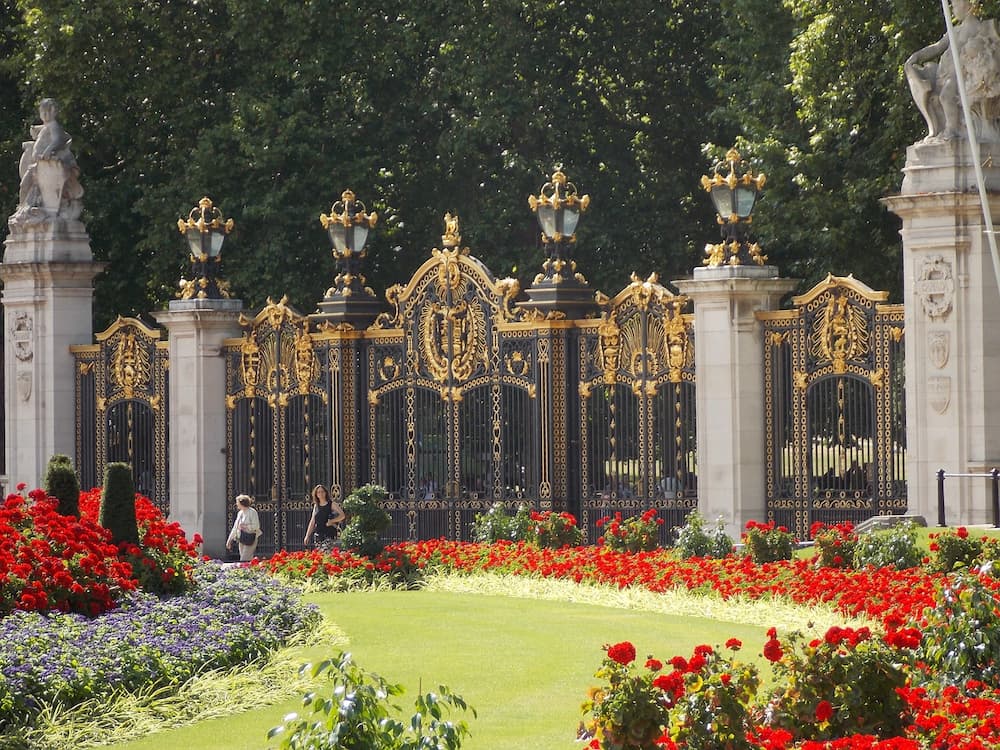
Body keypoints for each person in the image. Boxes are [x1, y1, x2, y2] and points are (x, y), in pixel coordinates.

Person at [905, 0, 1000, 142]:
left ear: (969, 7)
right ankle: (941, 129)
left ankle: (952, 128)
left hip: (960, 75)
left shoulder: (979, 28)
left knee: (946, 96)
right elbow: (937, 47)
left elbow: (986, 49)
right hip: (943, 75)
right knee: (930, 86)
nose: (952, 9)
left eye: (955, 5)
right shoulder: (954, 30)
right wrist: (917, 56)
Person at [303, 484, 346, 551]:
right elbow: (312, 521)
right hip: (318, 534)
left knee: (326, 554)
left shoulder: (331, 504)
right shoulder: (316, 506)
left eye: (322, 491)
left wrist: (332, 521)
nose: (321, 494)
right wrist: (307, 535)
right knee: (320, 556)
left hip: (329, 534)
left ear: (325, 493)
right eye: (318, 492)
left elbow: (342, 515)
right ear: (316, 494)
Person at [226, 494, 262, 562]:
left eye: (237, 502)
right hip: (242, 538)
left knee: (244, 559)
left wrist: (246, 526)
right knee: (245, 559)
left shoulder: (252, 512)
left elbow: (256, 526)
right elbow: (235, 527)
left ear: (242, 503)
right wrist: (229, 540)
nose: (236, 504)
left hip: (250, 537)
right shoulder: (240, 513)